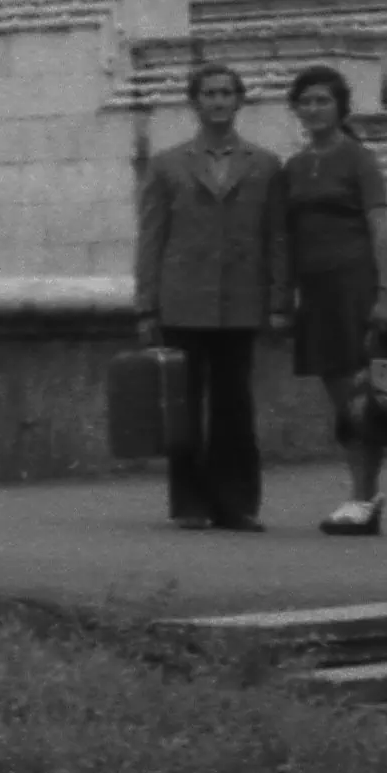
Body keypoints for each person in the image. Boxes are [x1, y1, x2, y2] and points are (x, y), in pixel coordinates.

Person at [132, 61, 286, 529]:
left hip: (240, 301)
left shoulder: (264, 165)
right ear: (194, 103)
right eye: (209, 93)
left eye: (226, 93)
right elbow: (152, 237)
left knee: (235, 406)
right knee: (184, 406)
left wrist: (279, 302)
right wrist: (146, 304)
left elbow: (276, 237)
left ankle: (237, 503)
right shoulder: (167, 165)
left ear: (240, 101)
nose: (218, 101)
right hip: (184, 299)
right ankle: (190, 503)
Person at [283, 65, 387, 535]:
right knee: (340, 398)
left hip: (354, 285)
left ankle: (363, 495)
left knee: (361, 397)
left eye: (322, 101)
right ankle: (363, 494)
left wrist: (386, 293)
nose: (313, 110)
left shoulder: (358, 159)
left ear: (340, 108)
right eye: (306, 101)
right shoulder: (293, 166)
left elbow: (379, 230)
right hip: (315, 292)